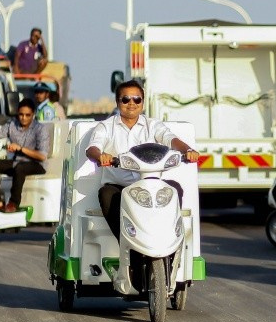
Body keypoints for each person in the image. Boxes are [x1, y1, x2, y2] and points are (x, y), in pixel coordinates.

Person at [85, 79, 199, 242]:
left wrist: (187, 150)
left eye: (137, 99)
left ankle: (168, 240)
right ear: (117, 102)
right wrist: (100, 156)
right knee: (106, 194)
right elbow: (92, 149)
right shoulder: (106, 127)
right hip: (120, 188)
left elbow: (170, 139)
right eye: (126, 99)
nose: (131, 103)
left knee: (174, 188)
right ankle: (126, 243)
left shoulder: (153, 125)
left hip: (151, 185)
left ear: (143, 102)